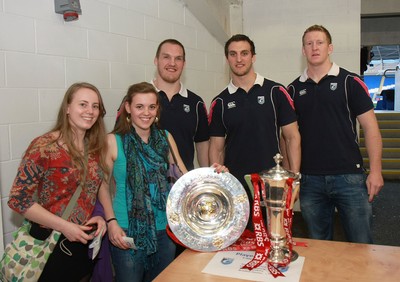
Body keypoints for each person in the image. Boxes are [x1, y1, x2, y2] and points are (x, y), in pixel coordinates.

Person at [98, 82, 226, 282]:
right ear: (128, 108)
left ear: (157, 109)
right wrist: (111, 222)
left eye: (151, 106)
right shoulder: (113, 141)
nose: (146, 113)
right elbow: (102, 185)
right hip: (125, 229)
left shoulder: (165, 137)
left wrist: (214, 174)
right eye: (139, 107)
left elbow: (185, 178)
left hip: (165, 229)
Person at [287, 24, 384, 243]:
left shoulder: (350, 82)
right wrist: (292, 177)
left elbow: (371, 129)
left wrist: (376, 171)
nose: (314, 47)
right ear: (303, 50)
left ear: (329, 47)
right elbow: (289, 137)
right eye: (309, 43)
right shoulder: (292, 90)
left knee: (361, 246)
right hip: (310, 180)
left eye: (319, 42)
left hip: (349, 177)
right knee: (319, 247)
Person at [7, 82, 109, 281]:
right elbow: (17, 199)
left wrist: (98, 216)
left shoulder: (94, 148)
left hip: (81, 247)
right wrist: (64, 226)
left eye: (95, 106)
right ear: (68, 108)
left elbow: (89, 192)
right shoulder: (44, 146)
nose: (90, 111)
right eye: (83, 104)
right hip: (49, 247)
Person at [208, 34, 301, 200]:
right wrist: (219, 183)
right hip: (235, 187)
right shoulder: (220, 102)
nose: (239, 59)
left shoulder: (276, 92)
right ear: (227, 58)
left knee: (273, 227)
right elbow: (216, 148)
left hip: (273, 183)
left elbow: (292, 137)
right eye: (233, 54)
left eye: (244, 53)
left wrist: (294, 179)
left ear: (253, 57)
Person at [152, 39, 210, 170]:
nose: (172, 63)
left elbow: (202, 147)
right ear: (156, 60)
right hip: (145, 186)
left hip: (184, 184)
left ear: (184, 64)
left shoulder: (196, 103)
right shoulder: (138, 99)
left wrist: (207, 179)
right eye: (166, 57)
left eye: (178, 58)